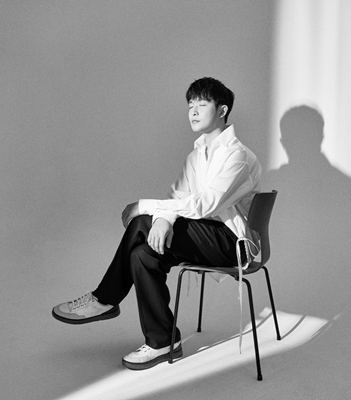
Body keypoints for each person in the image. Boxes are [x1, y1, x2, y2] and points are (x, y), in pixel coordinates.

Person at [52, 77, 262, 371]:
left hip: (233, 244)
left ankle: (104, 299)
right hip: (201, 236)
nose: (193, 111)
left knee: (141, 222)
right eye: (190, 105)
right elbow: (178, 198)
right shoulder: (196, 156)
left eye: (202, 105)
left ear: (222, 110)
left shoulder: (236, 155)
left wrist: (146, 209)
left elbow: (205, 205)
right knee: (143, 255)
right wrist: (163, 219)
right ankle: (162, 340)